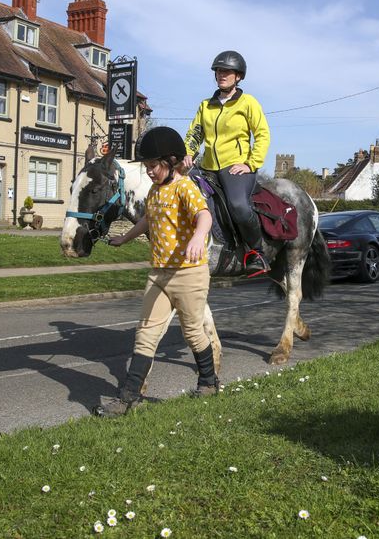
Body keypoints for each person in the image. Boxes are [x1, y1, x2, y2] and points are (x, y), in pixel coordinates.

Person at [99, 126, 216, 417]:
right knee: (146, 333)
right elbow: (147, 220)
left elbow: (204, 215)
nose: (149, 172)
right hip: (159, 273)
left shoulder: (185, 187)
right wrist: (123, 238)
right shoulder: (154, 191)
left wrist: (199, 237)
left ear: (170, 161)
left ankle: (209, 382)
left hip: (189, 274)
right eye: (147, 167)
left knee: (192, 332)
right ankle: (128, 397)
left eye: (153, 166)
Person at [183, 50, 271, 276]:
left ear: (238, 76)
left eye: (227, 71)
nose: (221, 75)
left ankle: (256, 253)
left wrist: (251, 163)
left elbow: (262, 134)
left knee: (239, 208)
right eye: (219, 71)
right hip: (208, 167)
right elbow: (195, 134)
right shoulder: (206, 106)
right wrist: (188, 153)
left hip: (236, 167)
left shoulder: (248, 103)